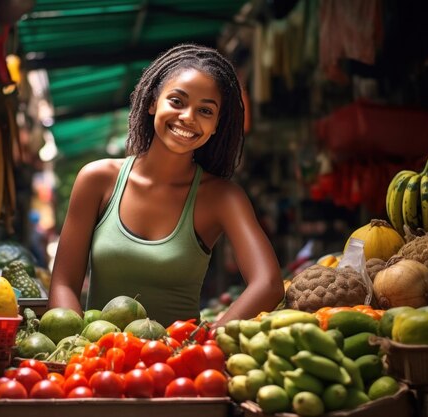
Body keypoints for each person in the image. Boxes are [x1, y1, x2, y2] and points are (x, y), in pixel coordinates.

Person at [47, 43, 285, 327]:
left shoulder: (222, 198)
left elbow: (269, 283)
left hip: (179, 369)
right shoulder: (97, 180)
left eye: (205, 111)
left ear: (217, 125)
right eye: (177, 101)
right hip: (100, 364)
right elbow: (62, 283)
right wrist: (78, 347)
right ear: (151, 103)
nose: (188, 117)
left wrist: (203, 343)